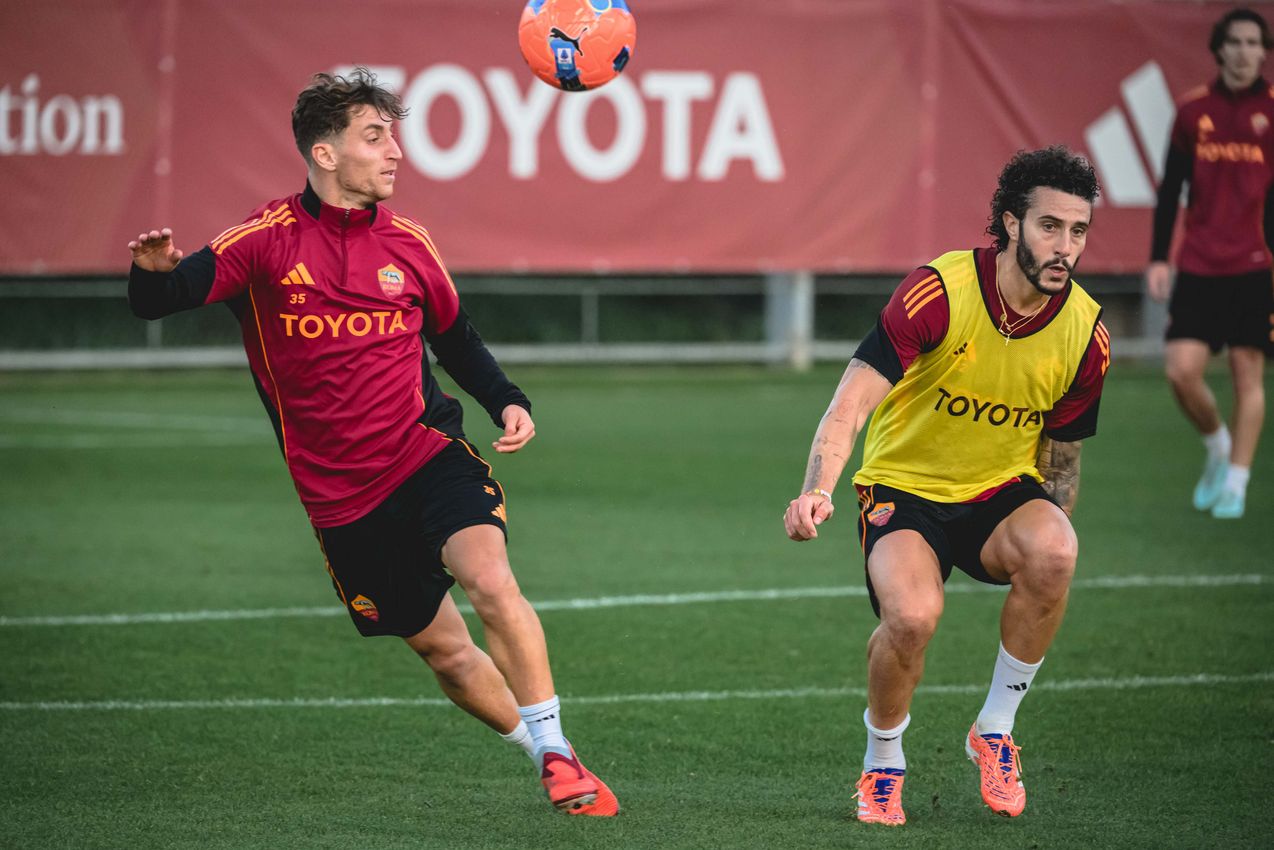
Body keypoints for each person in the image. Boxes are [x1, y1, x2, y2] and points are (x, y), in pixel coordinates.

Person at [126, 68, 617, 816]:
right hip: (339, 498)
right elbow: (162, 299)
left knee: (491, 580)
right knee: (446, 654)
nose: (395, 152)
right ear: (325, 154)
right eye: (374, 136)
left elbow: (454, 337)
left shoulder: (410, 243)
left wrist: (506, 400)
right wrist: (148, 271)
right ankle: (545, 749)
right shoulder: (263, 242)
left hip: (427, 455)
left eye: (393, 134)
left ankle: (556, 751)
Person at [784, 147, 1110, 826]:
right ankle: (882, 764)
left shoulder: (1086, 333)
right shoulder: (940, 291)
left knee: (1056, 550)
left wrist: (1049, 546)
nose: (1065, 247)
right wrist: (817, 489)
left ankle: (994, 729)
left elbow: (1062, 457)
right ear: (1010, 223)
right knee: (911, 618)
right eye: (1050, 226)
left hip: (998, 492)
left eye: (1078, 232)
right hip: (903, 490)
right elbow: (849, 406)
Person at [1146, 7, 1274, 520]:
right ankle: (1218, 445)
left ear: (1263, 52)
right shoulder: (1191, 111)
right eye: (1236, 42)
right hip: (1197, 264)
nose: (1245, 52)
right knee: (1181, 371)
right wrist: (1158, 258)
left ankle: (1237, 485)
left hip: (1254, 268)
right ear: (1219, 49)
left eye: (1254, 43)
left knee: (1249, 378)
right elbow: (1169, 188)